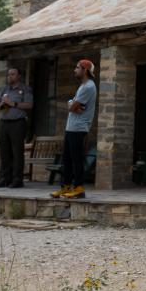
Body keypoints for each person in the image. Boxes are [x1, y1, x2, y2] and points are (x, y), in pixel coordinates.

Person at [52, 59, 97, 199]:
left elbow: (71, 107)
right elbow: (73, 106)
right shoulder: (82, 86)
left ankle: (79, 188)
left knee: (76, 159)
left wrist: (72, 105)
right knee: (67, 159)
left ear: (85, 70)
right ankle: (66, 187)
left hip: (79, 128)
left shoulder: (88, 86)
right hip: (71, 127)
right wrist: (73, 104)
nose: (74, 70)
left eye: (77, 68)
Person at [0, 68, 33, 188]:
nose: (10, 76)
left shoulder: (25, 89)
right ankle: (4, 179)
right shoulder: (5, 89)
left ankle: (17, 180)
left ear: (19, 76)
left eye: (13, 74)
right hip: (4, 123)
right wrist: (1, 105)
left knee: (17, 153)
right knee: (4, 153)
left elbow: (29, 105)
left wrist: (13, 104)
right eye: (9, 74)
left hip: (18, 123)